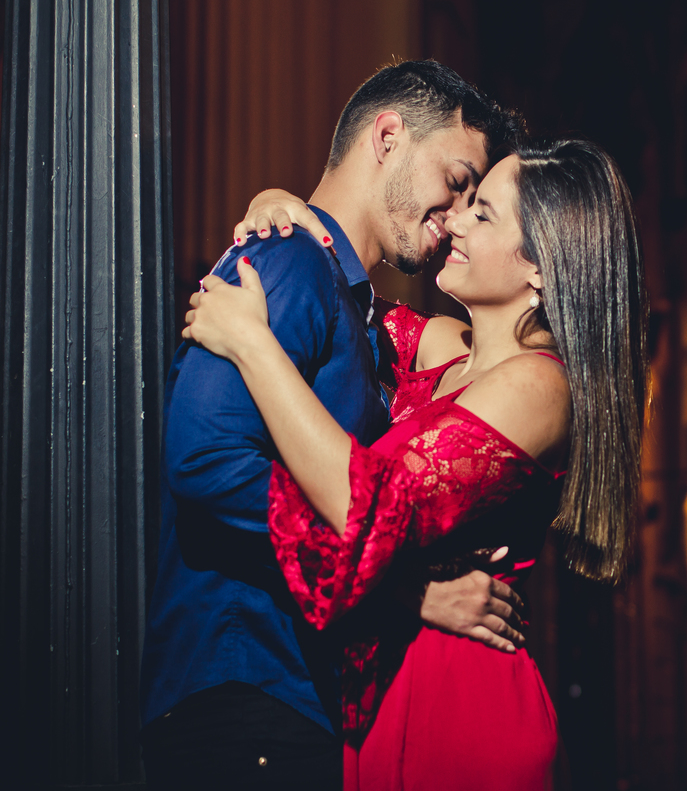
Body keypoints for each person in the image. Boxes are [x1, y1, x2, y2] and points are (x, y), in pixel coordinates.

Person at [183, 137, 647, 790]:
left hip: (462, 704)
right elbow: (343, 299)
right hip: (388, 688)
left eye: (482, 213)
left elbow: (364, 507)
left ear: (541, 267)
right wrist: (282, 216)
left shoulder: (543, 387)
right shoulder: (447, 357)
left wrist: (253, 345)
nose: (453, 219)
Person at [140, 60, 526, 790]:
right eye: (456, 180)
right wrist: (401, 588)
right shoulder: (285, 260)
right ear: (388, 137)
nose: (456, 214)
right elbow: (206, 459)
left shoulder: (360, 310)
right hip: (244, 694)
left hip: (295, 704)